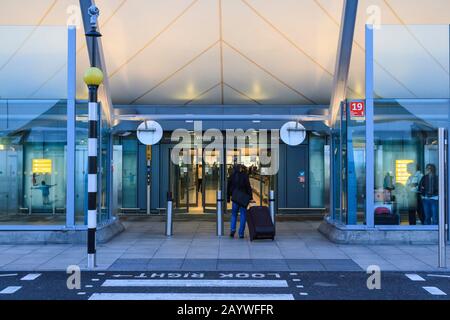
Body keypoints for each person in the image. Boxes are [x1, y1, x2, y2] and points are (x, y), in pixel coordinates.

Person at [227, 164, 253, 238]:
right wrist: (250, 197)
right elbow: (248, 187)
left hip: (235, 197)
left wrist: (228, 197)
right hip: (243, 198)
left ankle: (232, 229)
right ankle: (241, 233)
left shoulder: (232, 176)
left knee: (234, 214)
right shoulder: (245, 176)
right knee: (243, 215)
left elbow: (228, 187)